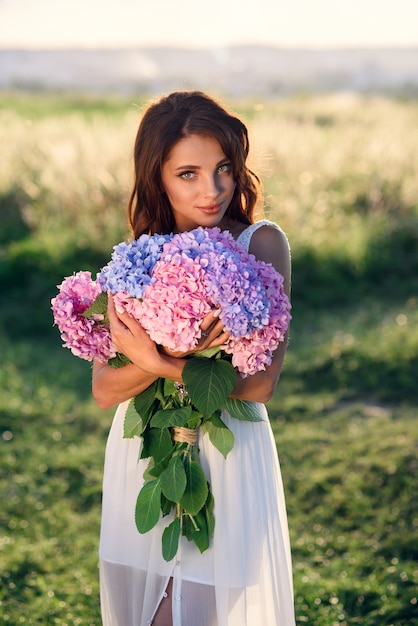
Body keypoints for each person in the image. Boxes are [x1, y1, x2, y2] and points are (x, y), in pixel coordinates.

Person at [92, 91, 295, 626]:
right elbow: (105, 390)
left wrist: (163, 363)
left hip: (227, 461)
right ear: (156, 177)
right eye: (188, 173)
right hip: (144, 455)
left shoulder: (261, 244)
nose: (213, 190)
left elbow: (261, 385)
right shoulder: (139, 254)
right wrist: (158, 360)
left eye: (224, 168)